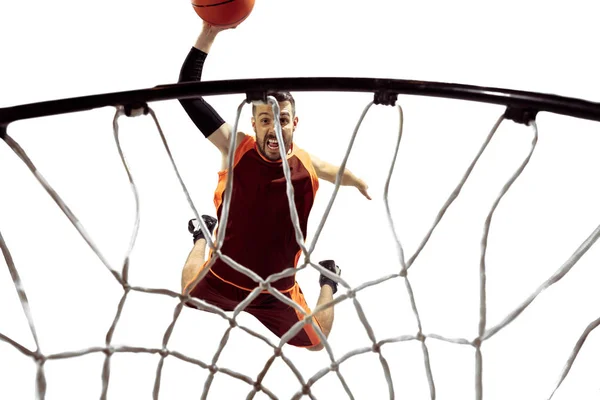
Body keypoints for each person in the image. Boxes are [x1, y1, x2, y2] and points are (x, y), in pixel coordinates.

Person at [177, 22, 371, 351]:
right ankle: (202, 234)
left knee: (317, 343)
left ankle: (328, 278)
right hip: (225, 276)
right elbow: (188, 93)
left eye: (281, 119)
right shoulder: (235, 147)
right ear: (254, 123)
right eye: (266, 120)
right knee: (187, 296)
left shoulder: (307, 163)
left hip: (276, 292)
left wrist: (358, 181)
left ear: (294, 122)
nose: (274, 128)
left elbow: (335, 170)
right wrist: (209, 33)